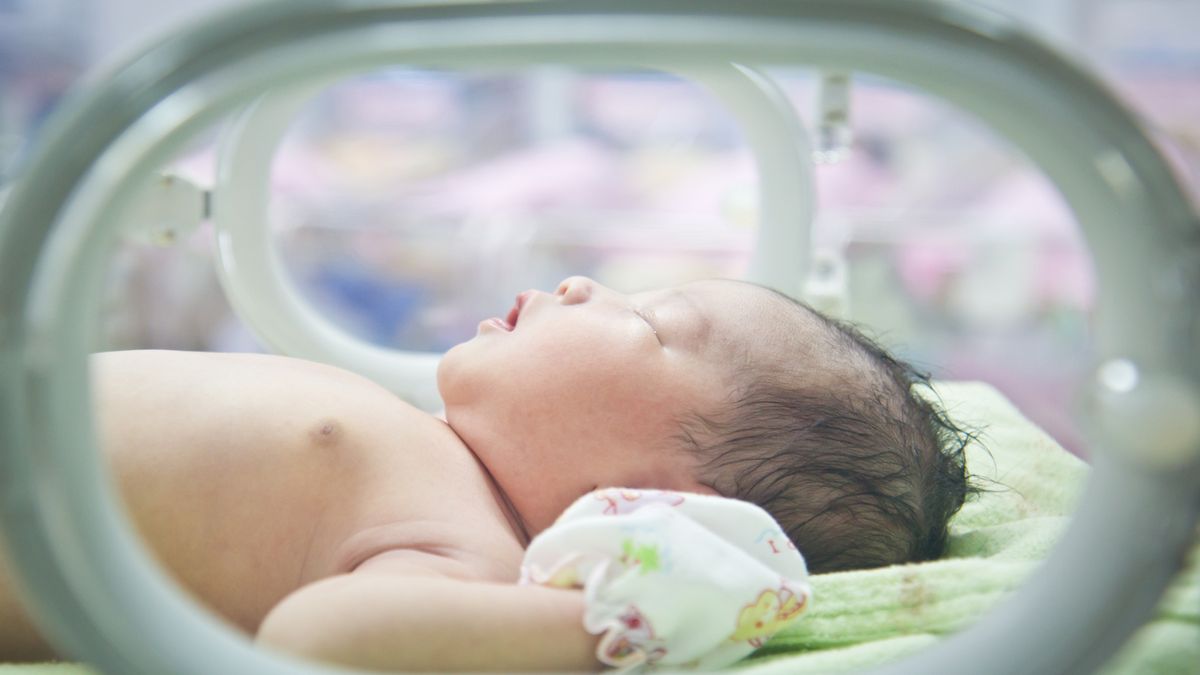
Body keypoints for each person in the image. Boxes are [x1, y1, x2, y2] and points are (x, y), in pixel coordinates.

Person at [0, 275, 972, 671]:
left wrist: (619, 614)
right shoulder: (434, 449)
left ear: (669, 503)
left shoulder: (467, 552)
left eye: (648, 323)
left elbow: (314, 640)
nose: (589, 284)